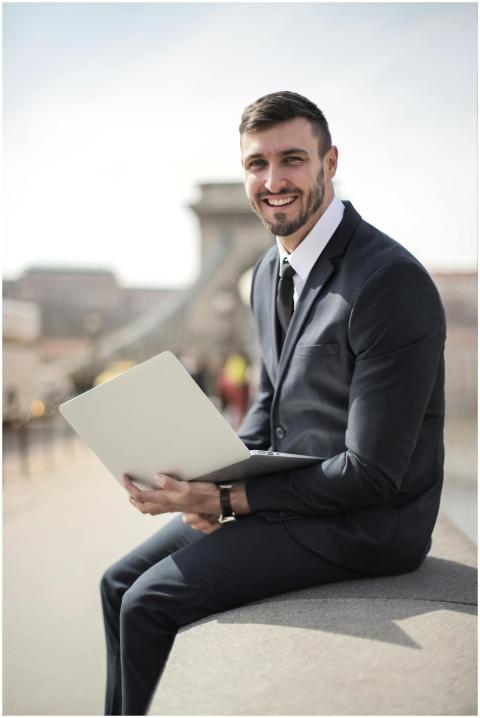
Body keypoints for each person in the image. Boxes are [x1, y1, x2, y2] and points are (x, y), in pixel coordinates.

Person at [100, 91, 446, 716]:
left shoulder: (388, 282)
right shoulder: (266, 271)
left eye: (292, 159)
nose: (273, 180)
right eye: (257, 164)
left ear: (329, 163)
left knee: (147, 602)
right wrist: (196, 483)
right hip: (292, 501)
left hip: (367, 526)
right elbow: (268, 404)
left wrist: (230, 501)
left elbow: (373, 474)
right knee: (117, 582)